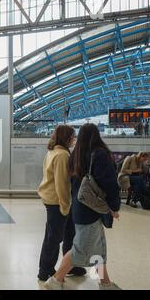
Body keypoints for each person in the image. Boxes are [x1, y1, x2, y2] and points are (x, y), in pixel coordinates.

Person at [44, 123, 121, 290]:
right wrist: (114, 206)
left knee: (98, 250)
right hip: (92, 210)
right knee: (79, 249)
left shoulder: (75, 155)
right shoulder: (99, 154)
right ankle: (55, 281)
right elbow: (109, 183)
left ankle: (105, 283)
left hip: (80, 207)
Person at [37, 125, 86, 282]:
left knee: (68, 235)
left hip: (54, 200)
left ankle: (70, 265)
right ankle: (45, 271)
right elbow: (62, 184)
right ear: (67, 138)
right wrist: (65, 207)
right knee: (54, 238)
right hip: (57, 202)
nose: (74, 139)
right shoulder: (62, 155)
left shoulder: (53, 152)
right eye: (73, 136)